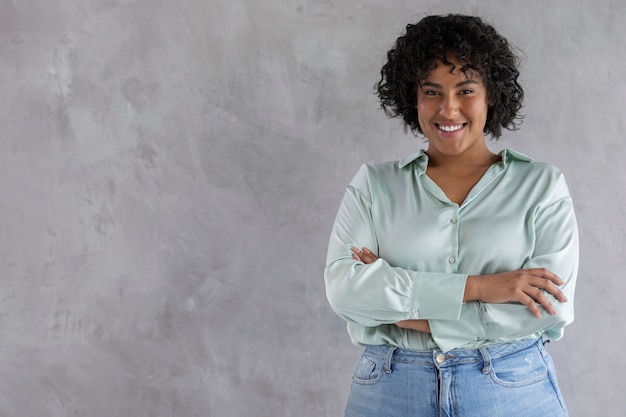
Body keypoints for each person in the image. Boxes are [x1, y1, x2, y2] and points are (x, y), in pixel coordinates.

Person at [324, 14, 578, 417]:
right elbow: (345, 290)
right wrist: (480, 288)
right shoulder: (374, 184)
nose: (449, 108)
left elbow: (548, 307)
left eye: (465, 89)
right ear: (413, 96)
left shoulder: (542, 186)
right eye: (431, 91)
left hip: (510, 389)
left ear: (490, 94)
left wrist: (401, 314)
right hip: (391, 391)